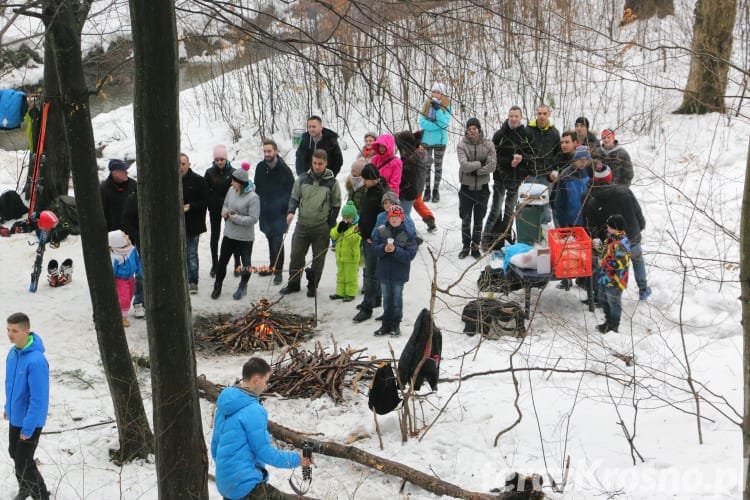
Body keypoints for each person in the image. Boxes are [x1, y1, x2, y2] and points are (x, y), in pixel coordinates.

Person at [211, 357, 311, 500]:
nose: (266, 387)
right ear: (256, 380)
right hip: (246, 487)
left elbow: (215, 447)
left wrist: (229, 473)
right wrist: (298, 459)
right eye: (266, 381)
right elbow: (266, 453)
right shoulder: (254, 410)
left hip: (225, 485)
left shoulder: (224, 405)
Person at [584, 163, 650, 300]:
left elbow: (592, 226)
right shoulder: (624, 191)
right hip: (632, 235)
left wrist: (599, 240)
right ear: (610, 178)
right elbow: (637, 210)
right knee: (637, 260)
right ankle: (643, 289)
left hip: (611, 242)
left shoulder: (592, 202)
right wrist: (641, 224)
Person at [281, 149, 341, 297]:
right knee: (296, 256)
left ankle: (312, 286)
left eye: (320, 164)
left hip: (321, 227)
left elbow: (336, 204)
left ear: (326, 163)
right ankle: (293, 284)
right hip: (302, 225)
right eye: (314, 163)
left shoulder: (332, 183)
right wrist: (290, 212)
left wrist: (330, 224)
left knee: (318, 259)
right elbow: (294, 197)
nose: (317, 166)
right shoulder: (302, 179)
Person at [4, 312, 50, 500]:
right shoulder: (13, 353)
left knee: (23, 460)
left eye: (14, 330)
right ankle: (25, 488)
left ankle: (41, 496)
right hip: (16, 416)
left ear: (26, 330)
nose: (10, 334)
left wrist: (29, 427)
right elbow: (10, 384)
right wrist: (8, 407)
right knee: (14, 453)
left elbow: (39, 399)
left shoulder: (36, 360)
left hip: (30, 420)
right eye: (8, 330)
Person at [483, 105, 533, 250]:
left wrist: (522, 162)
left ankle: (506, 237)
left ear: (520, 117)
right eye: (511, 116)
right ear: (508, 116)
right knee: (496, 209)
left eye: (516, 116)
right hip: (501, 177)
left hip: (516, 179)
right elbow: (493, 157)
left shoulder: (526, 134)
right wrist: (509, 162)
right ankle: (486, 239)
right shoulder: (500, 134)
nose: (514, 119)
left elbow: (531, 155)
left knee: (510, 211)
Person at [211, 169, 260, 301]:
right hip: (229, 233)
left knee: (246, 264)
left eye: (234, 181)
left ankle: (243, 286)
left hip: (245, 237)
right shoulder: (231, 190)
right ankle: (218, 285)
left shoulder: (253, 198)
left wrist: (235, 218)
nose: (231, 183)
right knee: (222, 262)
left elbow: (253, 219)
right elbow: (225, 204)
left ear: (241, 183)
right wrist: (224, 212)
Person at [371, 205, 418, 337]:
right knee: (386, 299)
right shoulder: (381, 230)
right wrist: (383, 249)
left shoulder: (408, 233)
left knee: (397, 299)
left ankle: (395, 324)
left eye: (397, 217)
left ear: (402, 218)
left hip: (399, 273)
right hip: (384, 272)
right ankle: (385, 324)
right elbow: (374, 247)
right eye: (392, 216)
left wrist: (396, 251)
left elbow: (410, 255)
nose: (394, 219)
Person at [254, 139, 295, 285]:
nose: (267, 154)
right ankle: (272, 266)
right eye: (264, 151)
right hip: (265, 210)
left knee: (277, 241)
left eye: (269, 151)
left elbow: (292, 192)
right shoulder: (260, 167)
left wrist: (289, 210)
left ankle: (278, 271)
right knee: (269, 238)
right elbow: (257, 188)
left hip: (280, 212)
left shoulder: (284, 170)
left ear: (276, 151)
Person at [352, 164, 389, 323]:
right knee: (372, 271)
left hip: (373, 240)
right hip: (365, 235)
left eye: (366, 179)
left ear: (374, 178)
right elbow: (366, 213)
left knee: (371, 274)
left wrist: (373, 236)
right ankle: (375, 300)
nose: (364, 182)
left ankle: (367, 307)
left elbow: (383, 220)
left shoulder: (382, 194)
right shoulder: (370, 190)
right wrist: (360, 226)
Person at [456, 117, 496, 259]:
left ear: (479, 130)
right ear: (466, 130)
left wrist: (476, 171)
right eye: (469, 128)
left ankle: (475, 248)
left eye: (475, 128)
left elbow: (492, 165)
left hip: (482, 189)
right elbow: (464, 165)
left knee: (479, 220)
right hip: (466, 188)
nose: (472, 131)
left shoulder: (488, 144)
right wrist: (481, 162)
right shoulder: (462, 145)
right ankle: (465, 246)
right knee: (466, 219)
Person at [204, 144, 239, 278]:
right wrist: (209, 202)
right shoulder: (209, 172)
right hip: (214, 209)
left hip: (229, 209)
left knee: (233, 235)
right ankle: (215, 263)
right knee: (215, 236)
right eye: (217, 159)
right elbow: (205, 191)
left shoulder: (233, 172)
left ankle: (237, 263)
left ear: (226, 159)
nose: (219, 162)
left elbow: (238, 190)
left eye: (222, 159)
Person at [180, 153, 209, 294]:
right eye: (178, 164)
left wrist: (190, 206)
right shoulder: (170, 180)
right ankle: (181, 278)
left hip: (193, 224)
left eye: (183, 164)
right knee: (179, 253)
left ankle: (193, 280)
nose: (180, 167)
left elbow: (205, 202)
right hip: (175, 225)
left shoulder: (198, 180)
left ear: (189, 164)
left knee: (191, 253)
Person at [596, 214, 631, 333]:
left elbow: (621, 263)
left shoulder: (622, 243)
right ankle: (608, 321)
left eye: (609, 227)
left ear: (616, 228)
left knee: (614, 302)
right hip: (605, 277)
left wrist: (603, 263)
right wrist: (598, 248)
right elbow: (606, 250)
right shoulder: (610, 238)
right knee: (602, 297)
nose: (607, 229)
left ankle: (614, 325)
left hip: (616, 280)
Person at [418, 82, 451, 202]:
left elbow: (444, 123)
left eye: (439, 92)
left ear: (442, 94)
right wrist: (436, 126)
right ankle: (427, 189)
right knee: (426, 166)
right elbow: (421, 121)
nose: (436, 94)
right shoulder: (426, 103)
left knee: (438, 166)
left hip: (440, 142)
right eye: (434, 91)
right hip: (426, 140)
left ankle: (435, 190)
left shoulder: (447, 105)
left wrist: (437, 111)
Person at [108, 230, 143, 327]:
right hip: (120, 280)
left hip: (130, 278)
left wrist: (139, 272)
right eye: (124, 236)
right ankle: (122, 318)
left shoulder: (132, 249)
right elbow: (112, 270)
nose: (127, 235)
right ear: (118, 242)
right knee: (124, 299)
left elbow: (137, 261)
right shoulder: (115, 257)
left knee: (130, 294)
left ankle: (121, 309)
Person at [329, 201, 362, 302]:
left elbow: (354, 239)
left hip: (351, 257)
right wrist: (339, 230)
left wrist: (347, 230)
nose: (346, 219)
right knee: (341, 275)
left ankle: (350, 293)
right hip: (340, 256)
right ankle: (340, 293)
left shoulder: (357, 227)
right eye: (344, 217)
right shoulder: (341, 224)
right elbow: (333, 235)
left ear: (353, 217)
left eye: (348, 217)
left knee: (350, 276)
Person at [121, 192, 145, 319]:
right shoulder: (133, 199)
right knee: (141, 274)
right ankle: (139, 303)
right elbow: (126, 222)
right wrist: (138, 234)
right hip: (141, 241)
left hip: (161, 241)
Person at [100, 158, 137, 232]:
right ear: (114, 173)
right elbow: (102, 213)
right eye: (123, 171)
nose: (127, 172)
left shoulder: (133, 184)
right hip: (115, 233)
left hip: (133, 231)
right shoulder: (103, 189)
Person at [394, 130, 422, 216]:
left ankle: (410, 229)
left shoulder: (411, 159)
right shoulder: (408, 154)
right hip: (407, 192)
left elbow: (409, 178)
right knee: (403, 215)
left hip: (408, 194)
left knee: (404, 216)